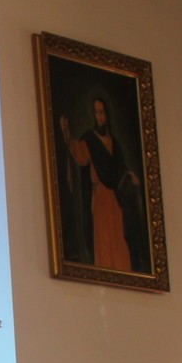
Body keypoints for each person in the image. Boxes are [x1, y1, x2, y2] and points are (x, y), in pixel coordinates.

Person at [59, 96, 145, 273]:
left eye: (102, 112)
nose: (99, 116)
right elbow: (80, 156)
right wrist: (67, 133)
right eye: (96, 112)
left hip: (117, 198)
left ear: (107, 115)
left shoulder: (114, 143)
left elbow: (121, 169)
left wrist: (130, 176)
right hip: (100, 197)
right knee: (103, 239)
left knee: (118, 237)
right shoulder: (90, 140)